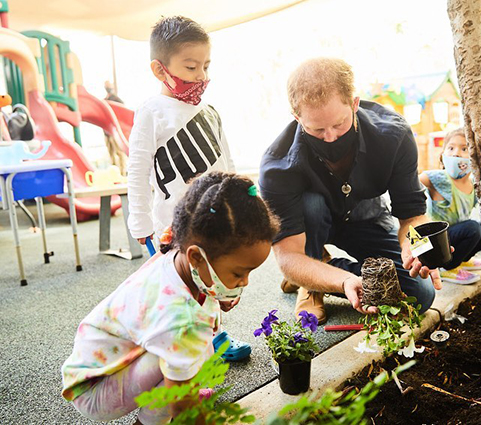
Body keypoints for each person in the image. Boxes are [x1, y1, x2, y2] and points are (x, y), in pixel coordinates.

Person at [61, 172, 279, 424]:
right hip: (94, 390)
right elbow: (184, 409)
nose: (245, 282)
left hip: (96, 366)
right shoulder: (181, 321)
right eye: (239, 273)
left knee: (197, 346)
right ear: (196, 257)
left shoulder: (175, 254)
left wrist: (217, 297)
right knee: (192, 351)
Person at [259, 58, 441, 324]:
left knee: (419, 295)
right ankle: (311, 283)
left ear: (354, 104)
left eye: (339, 123)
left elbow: (412, 216)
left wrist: (417, 247)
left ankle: (315, 272)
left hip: (366, 218)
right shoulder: (278, 165)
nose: (330, 137)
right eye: (317, 129)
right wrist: (344, 281)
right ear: (297, 118)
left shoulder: (394, 136)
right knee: (312, 204)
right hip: (311, 227)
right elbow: (288, 255)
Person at [126, 16, 246, 360]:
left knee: (213, 280)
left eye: (206, 66)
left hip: (214, 217)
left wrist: (239, 201)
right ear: (159, 69)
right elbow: (136, 168)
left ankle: (216, 338)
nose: (202, 77)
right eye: (192, 66)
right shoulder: (151, 112)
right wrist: (140, 222)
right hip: (172, 225)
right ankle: (180, 346)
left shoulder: (210, 112)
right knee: (179, 286)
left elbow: (228, 162)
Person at [419, 128, 481, 285]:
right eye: (451, 148)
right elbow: (412, 183)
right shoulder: (440, 178)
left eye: (464, 149)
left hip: (453, 239)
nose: (456, 153)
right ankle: (446, 268)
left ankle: (461, 261)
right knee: (472, 228)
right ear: (443, 153)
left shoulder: (473, 185)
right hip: (437, 243)